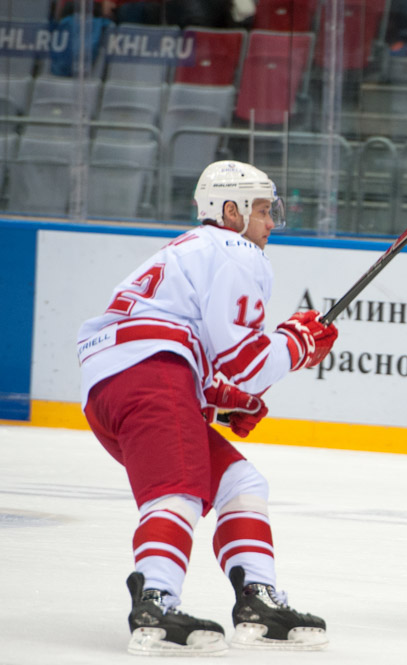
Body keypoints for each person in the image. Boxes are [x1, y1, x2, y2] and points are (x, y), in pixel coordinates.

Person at [76, 161, 339, 655]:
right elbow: (247, 363)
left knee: (241, 483)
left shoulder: (190, 249)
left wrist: (219, 395)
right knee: (177, 489)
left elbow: (196, 346)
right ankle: (155, 603)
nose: (270, 223)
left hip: (116, 385)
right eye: (262, 211)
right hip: (150, 373)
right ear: (231, 211)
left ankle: (258, 600)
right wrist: (296, 343)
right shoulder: (235, 251)